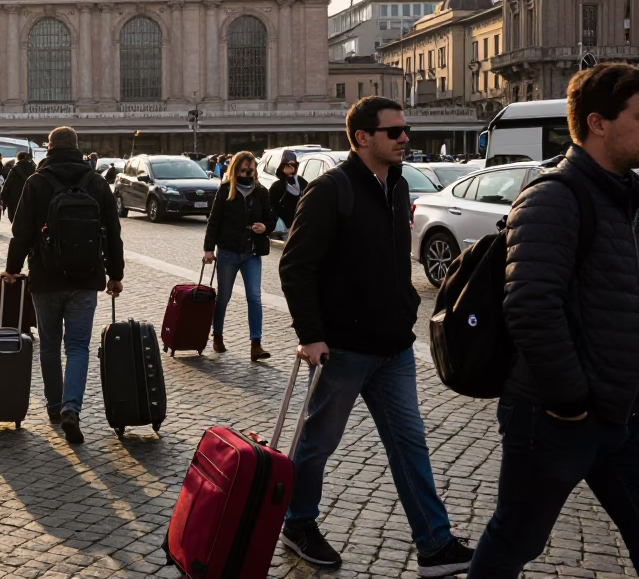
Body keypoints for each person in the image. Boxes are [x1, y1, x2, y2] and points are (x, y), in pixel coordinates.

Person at [278, 97, 474, 575]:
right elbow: (295, 266)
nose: (405, 138)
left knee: (410, 443)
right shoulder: (330, 191)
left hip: (393, 347)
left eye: (406, 129)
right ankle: (298, 523)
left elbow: (390, 260)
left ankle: (434, 544)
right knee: (317, 444)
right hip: (342, 349)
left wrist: (405, 305)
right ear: (363, 137)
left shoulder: (399, 185)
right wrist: (312, 335)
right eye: (394, 131)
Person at [468, 64, 639, 578]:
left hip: (622, 413)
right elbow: (530, 305)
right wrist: (570, 399)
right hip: (555, 416)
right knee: (514, 541)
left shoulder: (628, 200)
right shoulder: (553, 197)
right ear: (598, 123)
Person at [2, 126, 124, 445]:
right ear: (78, 147)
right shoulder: (96, 182)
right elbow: (112, 231)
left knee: (49, 345)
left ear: (49, 148)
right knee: (78, 346)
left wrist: (12, 269)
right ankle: (72, 407)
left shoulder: (36, 182)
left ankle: (55, 407)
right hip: (86, 277)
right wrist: (115, 274)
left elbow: (21, 232)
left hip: (45, 277)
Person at [201, 151, 273, 360]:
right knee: (223, 297)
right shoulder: (225, 191)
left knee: (254, 297)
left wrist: (264, 227)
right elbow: (213, 222)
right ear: (235, 170)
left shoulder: (261, 191)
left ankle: (256, 344)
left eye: (251, 170)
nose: (247, 174)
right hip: (227, 252)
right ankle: (218, 335)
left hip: (251, 252)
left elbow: (270, 218)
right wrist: (208, 249)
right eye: (243, 170)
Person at [268, 151, 308, 239]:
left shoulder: (302, 183)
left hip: (300, 227)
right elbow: (272, 208)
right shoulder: (277, 186)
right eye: (288, 165)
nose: (291, 168)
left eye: (293, 165)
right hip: (283, 231)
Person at [0, 151, 37, 223]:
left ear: (18, 158)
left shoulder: (14, 169)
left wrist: (2, 198)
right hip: (30, 197)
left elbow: (7, 185)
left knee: (14, 219)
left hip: (14, 198)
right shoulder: (35, 168)